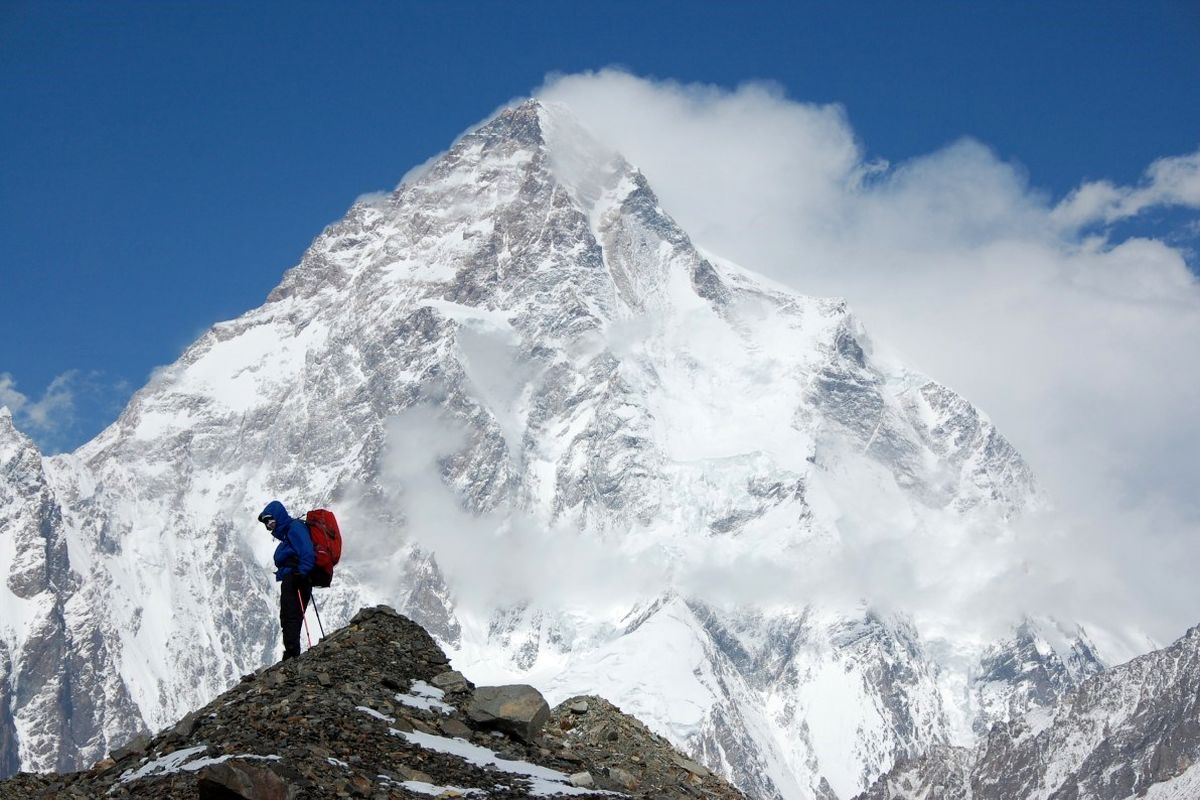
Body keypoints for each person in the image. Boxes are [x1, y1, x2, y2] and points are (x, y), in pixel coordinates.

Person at [258, 500, 315, 661]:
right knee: (289, 615)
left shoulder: (294, 528)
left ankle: (292, 653)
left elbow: (307, 552)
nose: (269, 525)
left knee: (291, 614)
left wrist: (301, 573)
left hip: (297, 578)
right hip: (293, 577)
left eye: (271, 520)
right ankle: (291, 651)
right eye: (267, 523)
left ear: (279, 516)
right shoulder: (288, 533)